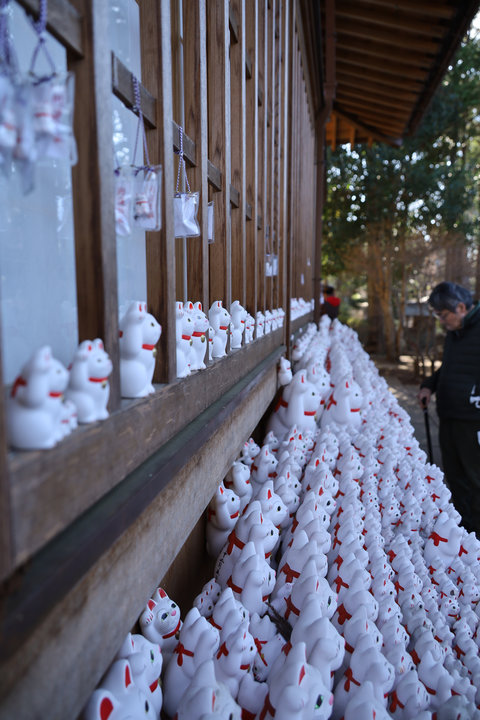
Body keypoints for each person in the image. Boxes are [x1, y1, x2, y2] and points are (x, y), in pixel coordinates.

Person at [417, 281, 480, 535]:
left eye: (443, 315)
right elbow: (451, 367)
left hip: (473, 420)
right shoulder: (457, 331)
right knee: (454, 476)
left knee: (476, 479)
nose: (441, 321)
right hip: (449, 415)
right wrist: (429, 385)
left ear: (461, 308)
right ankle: (464, 532)